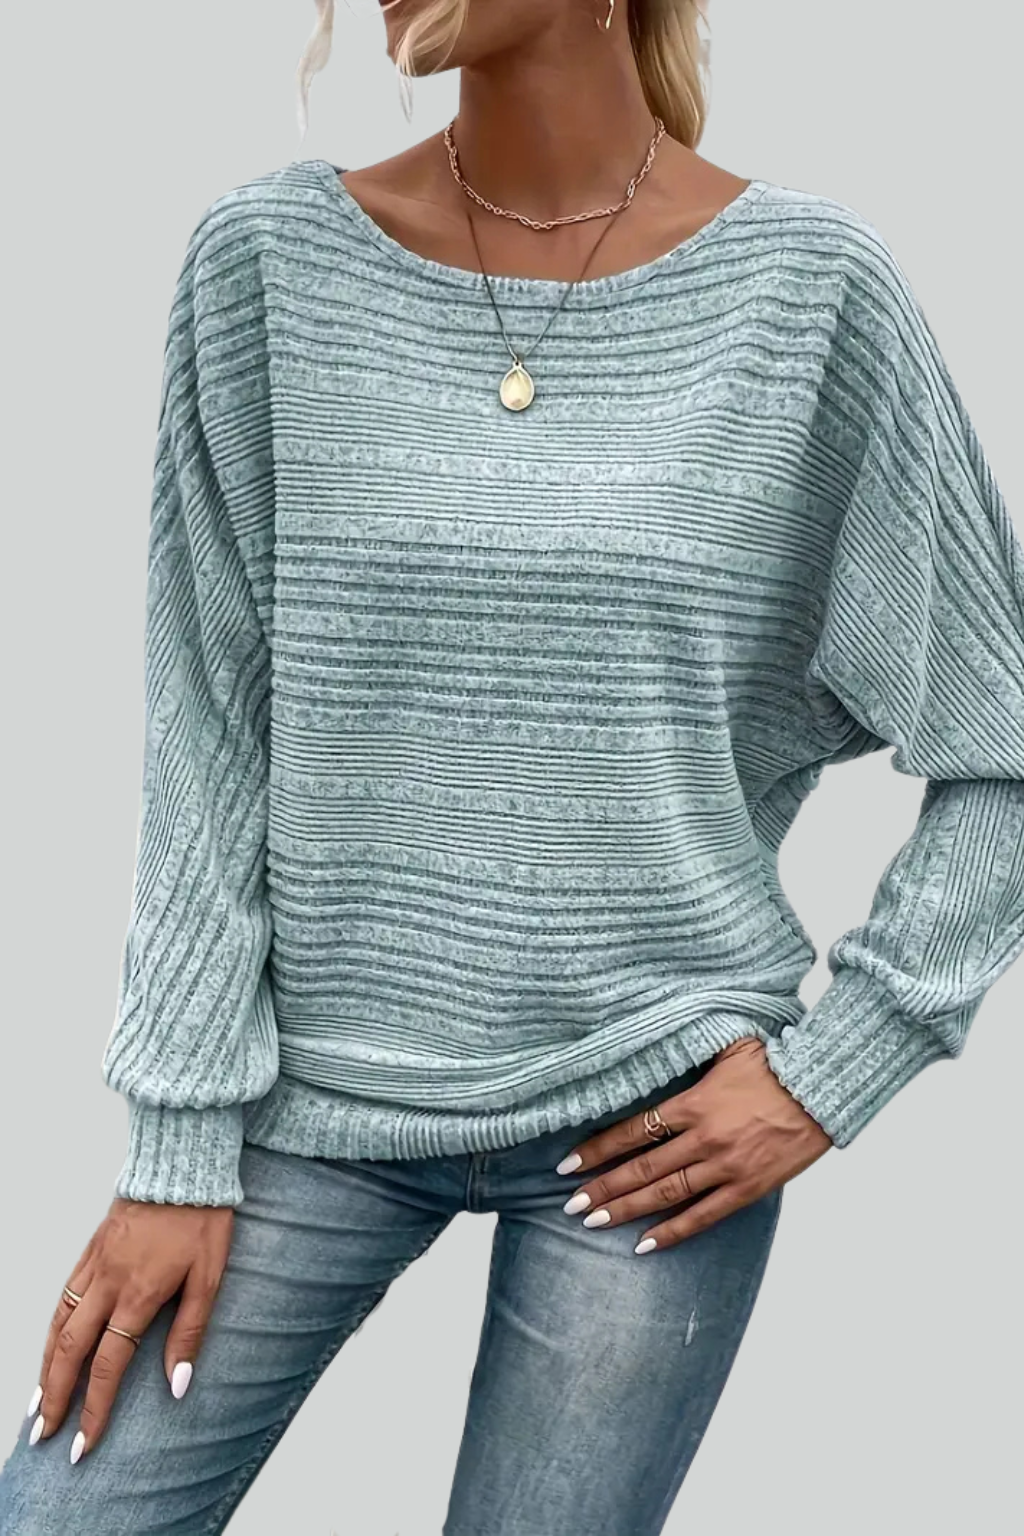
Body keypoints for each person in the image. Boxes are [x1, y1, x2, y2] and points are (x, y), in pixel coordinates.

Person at [2, 1, 1022, 1531]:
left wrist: (832, 1076)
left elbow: (1002, 742)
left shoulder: (811, 294)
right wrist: (174, 1148)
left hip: (649, 1124)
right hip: (308, 1106)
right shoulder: (266, 267)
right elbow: (207, 738)